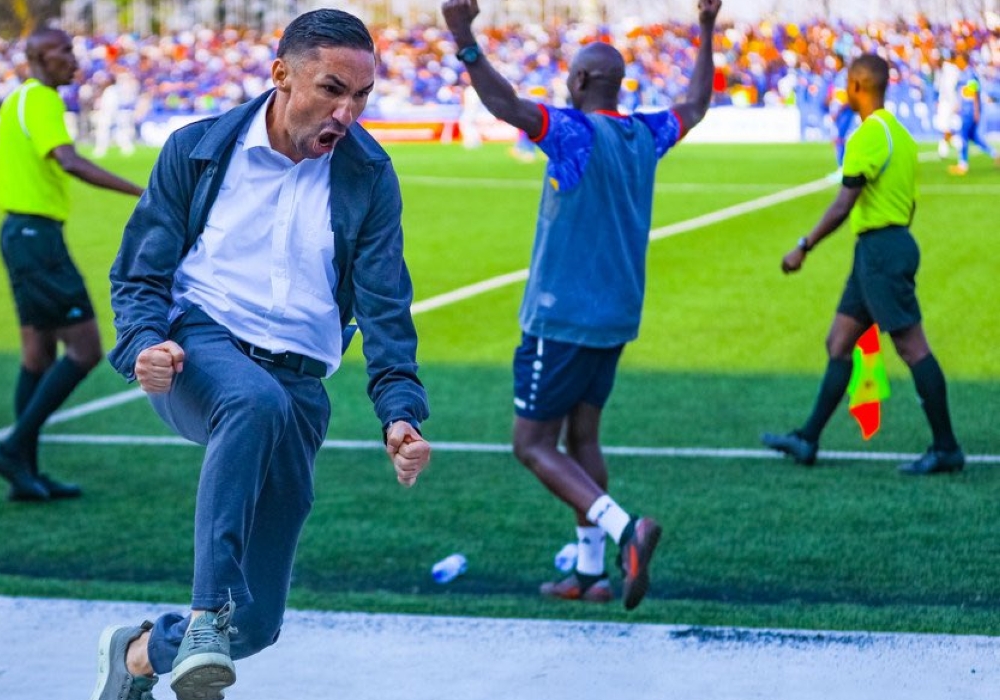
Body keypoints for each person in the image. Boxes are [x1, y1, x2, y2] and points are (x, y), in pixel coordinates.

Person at [91, 10, 432, 700]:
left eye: (362, 96)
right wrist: (142, 345)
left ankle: (138, 655)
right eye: (332, 89)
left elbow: (386, 306)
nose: (347, 111)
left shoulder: (369, 175)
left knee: (261, 624)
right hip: (199, 354)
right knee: (252, 400)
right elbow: (138, 274)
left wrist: (399, 412)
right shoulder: (194, 150)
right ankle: (205, 613)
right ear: (280, 75)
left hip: (300, 388)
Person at [441, 0, 722, 610]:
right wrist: (705, 27)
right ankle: (592, 574)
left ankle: (627, 531)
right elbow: (696, 104)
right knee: (583, 437)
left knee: (532, 444)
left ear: (580, 82)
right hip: (617, 316)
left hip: (561, 314)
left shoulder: (572, 133)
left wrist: (464, 38)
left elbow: (506, 106)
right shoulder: (644, 134)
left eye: (571, 75)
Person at [761, 54, 964, 476]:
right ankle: (807, 439)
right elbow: (906, 204)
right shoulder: (902, 137)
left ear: (856, 85)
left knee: (912, 347)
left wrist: (804, 246)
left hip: (880, 252)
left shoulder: (867, 136)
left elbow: (842, 204)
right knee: (839, 342)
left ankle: (946, 448)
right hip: (886, 245)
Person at [0, 27, 145, 502]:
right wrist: (142, 193)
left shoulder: (21, 99)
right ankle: (14, 449)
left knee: (37, 355)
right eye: (63, 51)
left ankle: (24, 472)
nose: (73, 60)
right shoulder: (41, 100)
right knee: (85, 348)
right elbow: (69, 162)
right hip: (36, 237)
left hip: (23, 234)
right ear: (36, 56)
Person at [947, 54, 999, 176]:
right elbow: (964, 94)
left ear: (964, 61)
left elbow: (974, 94)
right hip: (966, 110)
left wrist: (976, 111)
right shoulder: (964, 74)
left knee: (963, 136)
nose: (957, 63)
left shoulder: (969, 74)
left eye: (959, 60)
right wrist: (957, 107)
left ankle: (962, 164)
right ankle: (994, 153)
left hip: (968, 112)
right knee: (974, 137)